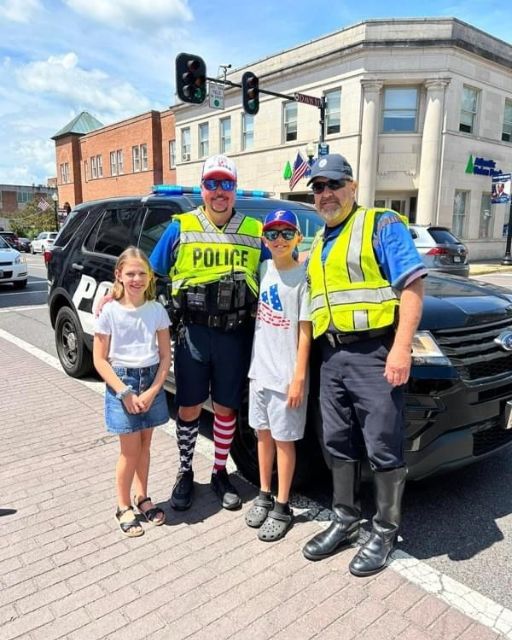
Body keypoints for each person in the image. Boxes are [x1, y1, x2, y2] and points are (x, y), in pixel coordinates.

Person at [302, 154, 425, 576]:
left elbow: (412, 286)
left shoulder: (380, 224)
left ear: (352, 186)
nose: (326, 194)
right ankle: (345, 519)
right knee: (337, 441)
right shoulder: (319, 242)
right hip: (331, 356)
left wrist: (401, 348)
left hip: (374, 354)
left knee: (382, 444)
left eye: (334, 184)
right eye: (318, 187)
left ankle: (386, 531)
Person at [150, 154, 266, 512]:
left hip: (235, 335)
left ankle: (219, 471)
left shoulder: (255, 230)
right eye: (212, 183)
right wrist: (117, 294)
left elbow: (280, 269)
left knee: (226, 408)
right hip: (194, 333)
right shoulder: (180, 227)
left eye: (226, 184)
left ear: (235, 189)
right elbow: (150, 273)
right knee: (188, 407)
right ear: (202, 188)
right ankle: (185, 471)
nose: (219, 191)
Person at [93, 247, 171, 537]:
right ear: (119, 275)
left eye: (142, 273)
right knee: (129, 451)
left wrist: (153, 390)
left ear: (150, 276)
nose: (137, 279)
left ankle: (142, 496)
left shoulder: (156, 310)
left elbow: (165, 356)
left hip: (150, 381)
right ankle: (123, 505)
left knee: (145, 446)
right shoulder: (109, 312)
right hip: (122, 382)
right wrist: (124, 392)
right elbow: (100, 359)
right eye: (130, 273)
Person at [244, 210, 312, 542]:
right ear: (264, 239)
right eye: (272, 234)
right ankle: (264, 492)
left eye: (287, 233)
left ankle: (283, 505)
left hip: (286, 376)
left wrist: (299, 377)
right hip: (260, 372)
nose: (279, 240)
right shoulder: (263, 269)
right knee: (263, 436)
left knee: (285, 441)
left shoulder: (304, 278)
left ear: (298, 237)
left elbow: (305, 331)